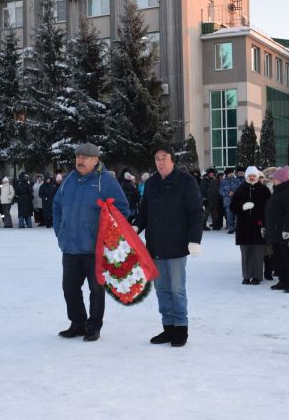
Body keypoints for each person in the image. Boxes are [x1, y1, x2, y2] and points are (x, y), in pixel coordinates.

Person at [53, 143, 129, 342]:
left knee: (96, 289)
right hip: (70, 246)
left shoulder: (106, 182)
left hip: (95, 249)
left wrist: (108, 237)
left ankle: (93, 326)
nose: (80, 160)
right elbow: (56, 205)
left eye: (85, 157)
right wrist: (60, 231)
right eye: (78, 156)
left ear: (96, 160)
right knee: (69, 288)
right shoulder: (68, 180)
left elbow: (122, 209)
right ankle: (77, 323)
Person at [136, 145, 203, 347]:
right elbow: (144, 211)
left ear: (172, 160)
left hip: (176, 245)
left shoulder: (186, 182)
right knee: (161, 289)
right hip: (155, 246)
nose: (161, 162)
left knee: (176, 289)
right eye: (157, 158)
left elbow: (195, 213)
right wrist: (136, 226)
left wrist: (194, 239)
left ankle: (181, 328)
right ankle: (168, 328)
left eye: (164, 158)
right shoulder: (151, 183)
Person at [229, 166, 271, 285]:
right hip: (244, 226)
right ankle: (247, 276)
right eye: (249, 176)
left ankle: (257, 276)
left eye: (254, 176)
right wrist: (242, 207)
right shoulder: (240, 189)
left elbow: (268, 207)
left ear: (257, 177)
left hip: (258, 225)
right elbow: (232, 206)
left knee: (258, 252)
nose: (252, 178)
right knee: (246, 251)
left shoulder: (264, 190)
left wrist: (257, 210)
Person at [265, 166, 289, 293]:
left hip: (286, 233)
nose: (273, 180)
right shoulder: (278, 190)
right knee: (279, 258)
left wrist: (287, 229)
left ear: (281, 180)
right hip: (276, 231)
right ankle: (283, 281)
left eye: (275, 178)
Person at [220, 168, 243, 234]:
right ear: (227, 174)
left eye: (232, 173)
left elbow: (240, 189)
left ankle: (237, 228)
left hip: (236, 201)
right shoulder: (223, 181)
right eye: (229, 173)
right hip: (227, 202)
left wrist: (234, 193)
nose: (231, 174)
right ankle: (231, 228)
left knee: (237, 215)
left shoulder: (237, 180)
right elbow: (220, 191)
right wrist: (227, 193)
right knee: (229, 215)